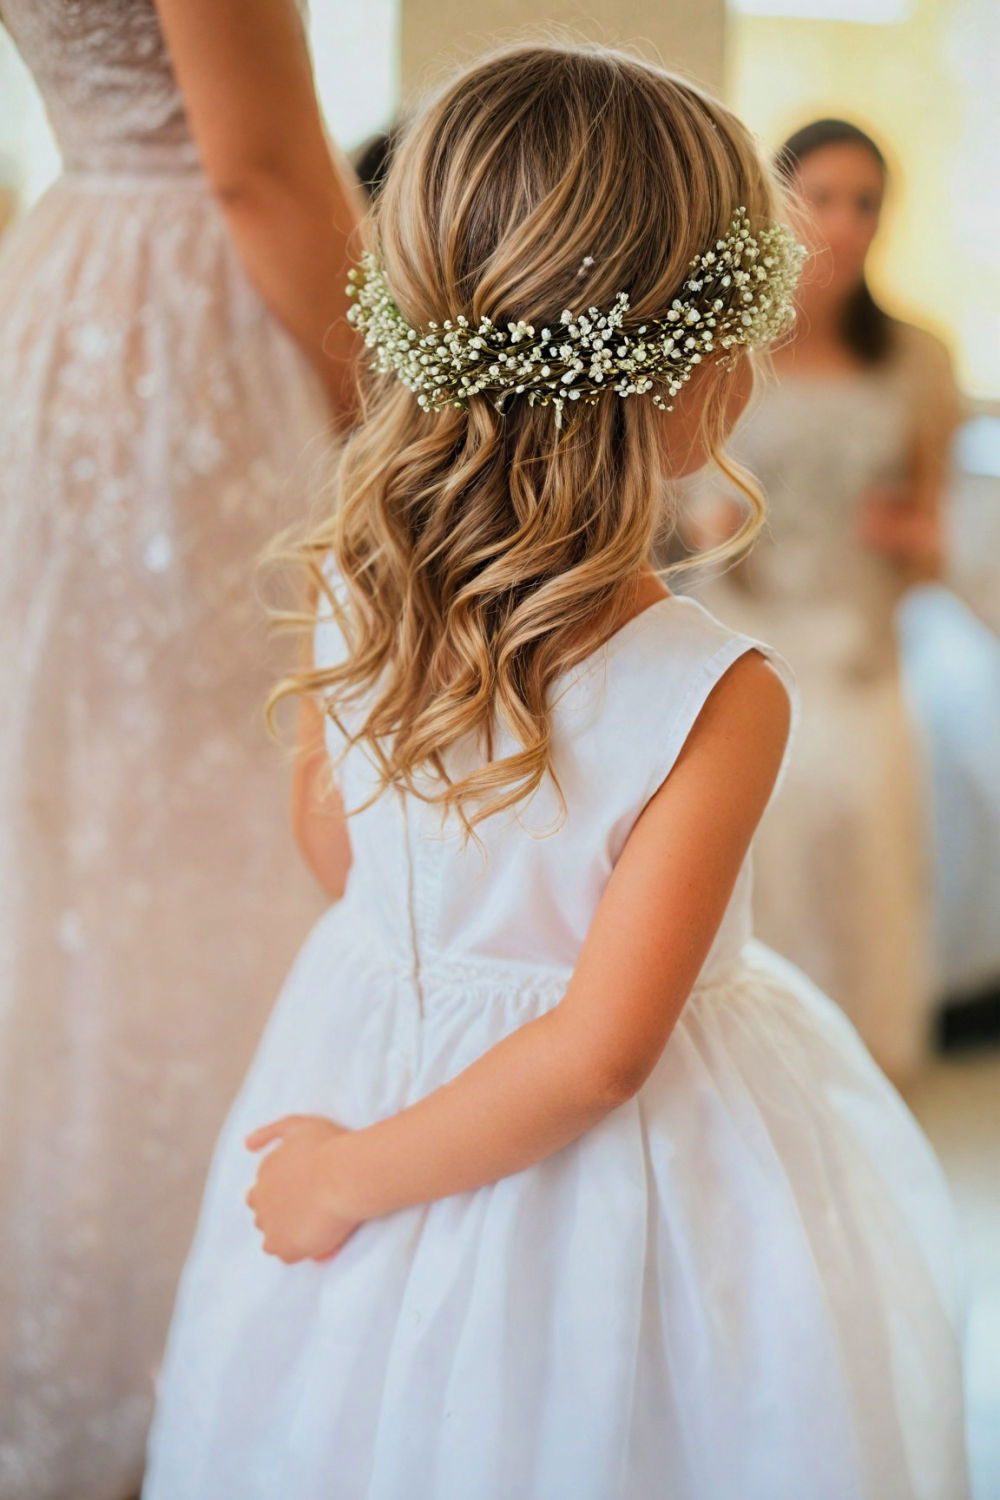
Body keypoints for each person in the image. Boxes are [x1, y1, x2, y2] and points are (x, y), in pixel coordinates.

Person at [143, 47, 968, 1500]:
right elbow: (597, 1054)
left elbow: (338, 855)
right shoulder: (716, 692)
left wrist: (372, 1123)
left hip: (362, 1064)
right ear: (697, 359)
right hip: (611, 1178)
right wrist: (341, 1174)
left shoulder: (358, 578)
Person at [0, 2, 363, 1496]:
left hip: (69, 308)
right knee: (227, 835)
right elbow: (262, 171)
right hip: (200, 348)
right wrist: (389, 408)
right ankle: (189, 1348)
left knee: (72, 838)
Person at [682, 119, 963, 1086]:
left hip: (854, 646)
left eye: (866, 203)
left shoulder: (918, 358)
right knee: (761, 853)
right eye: (822, 198)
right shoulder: (725, 336)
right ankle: (747, 1074)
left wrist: (916, 541)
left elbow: (933, 538)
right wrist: (703, 523)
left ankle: (854, 1084)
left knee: (862, 862)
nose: (843, 224)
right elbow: (671, 502)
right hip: (739, 630)